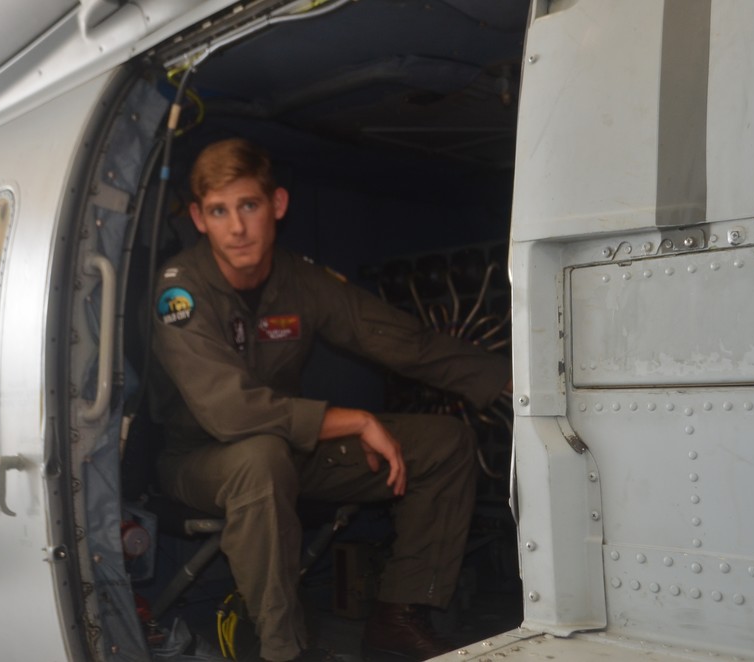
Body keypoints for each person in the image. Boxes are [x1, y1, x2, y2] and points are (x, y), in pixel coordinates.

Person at [150, 138, 511, 662]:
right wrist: (355, 421)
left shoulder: (299, 279)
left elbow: (395, 339)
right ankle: (284, 650)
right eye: (219, 211)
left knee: (445, 443)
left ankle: (398, 616)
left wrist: (508, 379)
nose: (237, 228)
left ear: (277, 204)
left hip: (289, 447)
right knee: (260, 459)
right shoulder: (179, 292)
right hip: (199, 458)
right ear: (199, 219)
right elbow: (231, 413)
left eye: (248, 205)